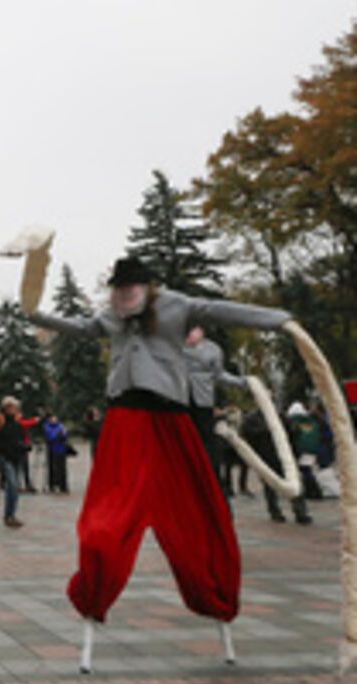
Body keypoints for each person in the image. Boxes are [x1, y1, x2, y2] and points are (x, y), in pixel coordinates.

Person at [28, 255, 293, 628]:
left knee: (194, 504)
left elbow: (219, 310)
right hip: (125, 415)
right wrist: (36, 315)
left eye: (129, 287)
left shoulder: (174, 305)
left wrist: (278, 320)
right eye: (118, 288)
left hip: (169, 415)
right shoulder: (113, 314)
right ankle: (96, 586)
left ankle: (213, 589)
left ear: (145, 287)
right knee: (108, 515)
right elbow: (83, 327)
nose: (123, 294)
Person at [184, 324, 245, 493]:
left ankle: (214, 484)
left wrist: (241, 382)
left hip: (203, 401)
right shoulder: (174, 343)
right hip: (179, 400)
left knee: (208, 444)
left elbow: (220, 375)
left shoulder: (213, 349)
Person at [0, 397, 26, 527]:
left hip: (16, 457)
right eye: (9, 407)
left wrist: (24, 446)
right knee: (12, 485)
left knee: (13, 487)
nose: (12, 409)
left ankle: (10, 514)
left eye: (13, 407)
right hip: (5, 457)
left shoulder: (17, 423)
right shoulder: (0, 421)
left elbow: (19, 439)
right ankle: (9, 515)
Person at [43, 412, 70, 493]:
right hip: (52, 449)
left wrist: (63, 435)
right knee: (53, 468)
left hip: (61, 449)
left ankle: (63, 485)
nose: (54, 419)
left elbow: (65, 434)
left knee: (62, 468)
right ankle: (53, 485)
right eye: (52, 418)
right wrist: (59, 435)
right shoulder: (47, 426)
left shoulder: (60, 425)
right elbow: (50, 437)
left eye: (55, 418)